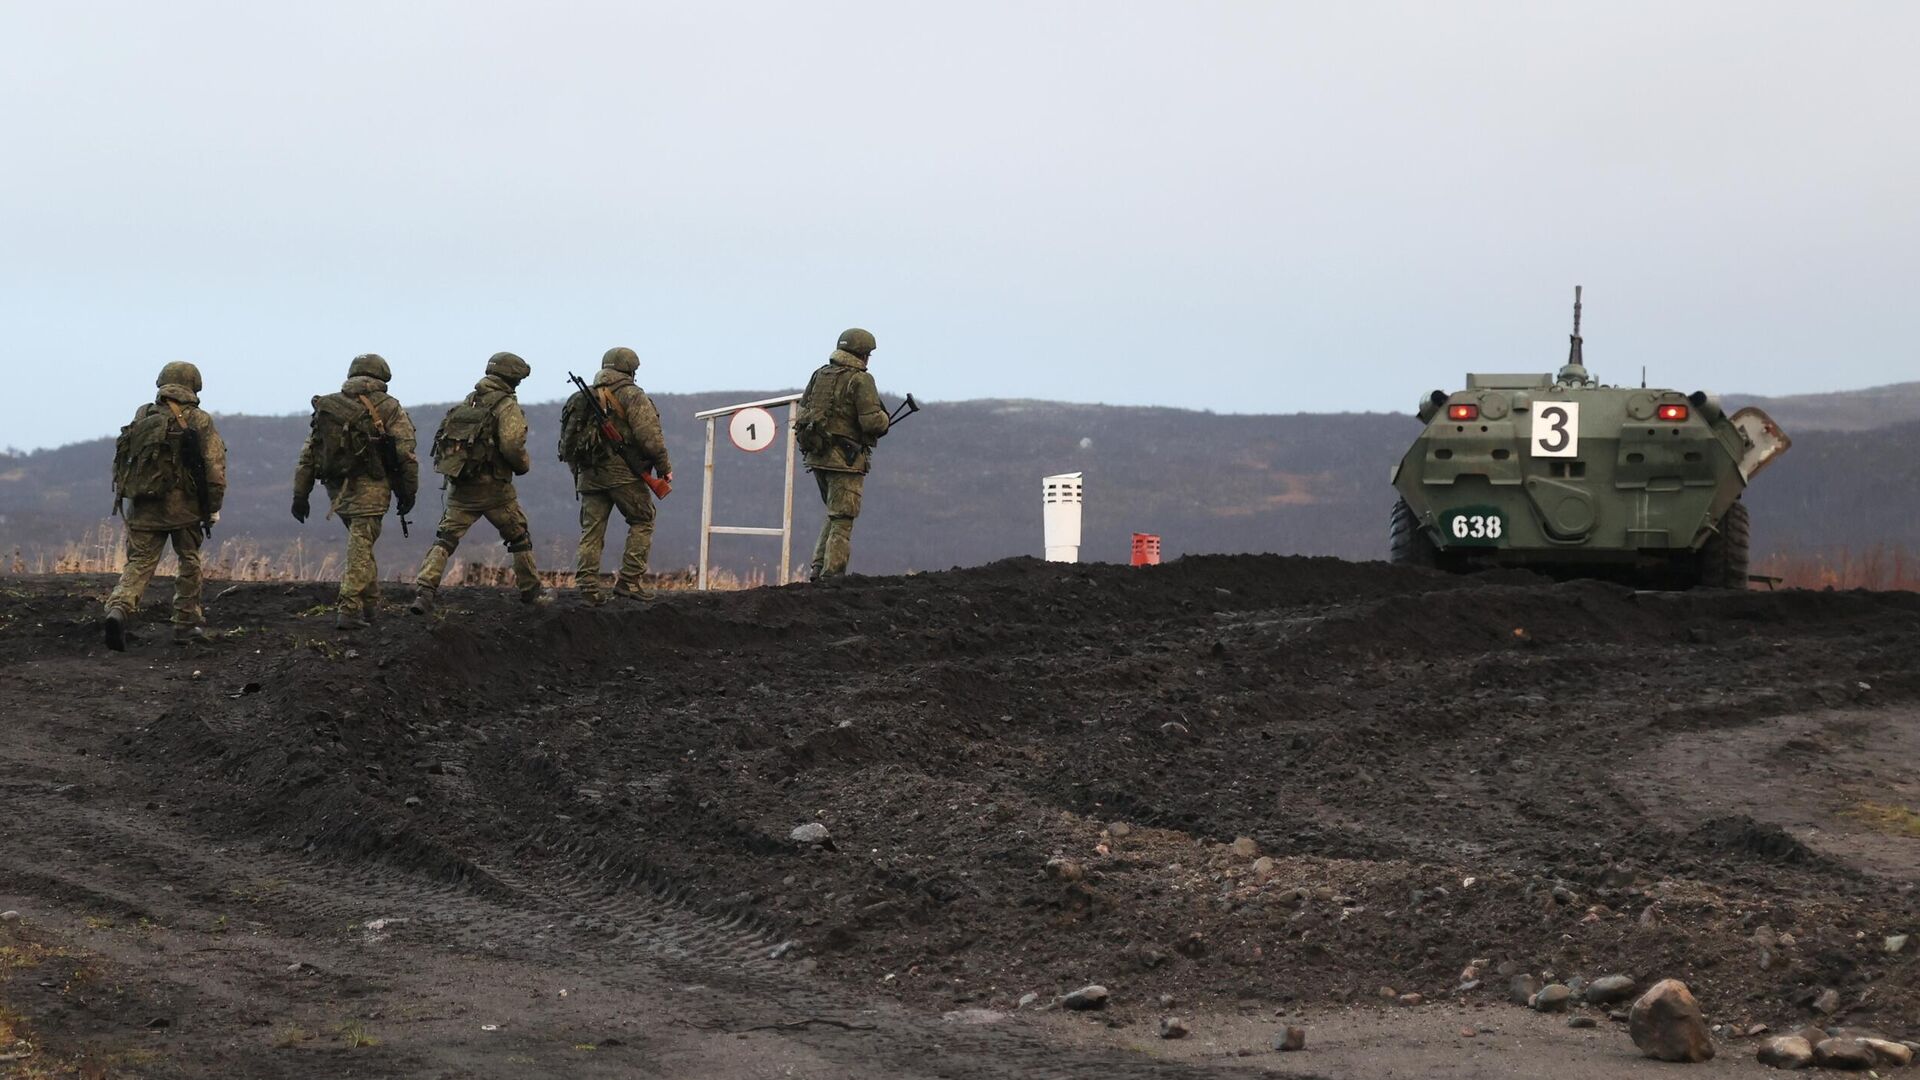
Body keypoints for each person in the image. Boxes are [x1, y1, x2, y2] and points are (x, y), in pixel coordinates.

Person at [102, 361, 228, 649]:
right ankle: (186, 622)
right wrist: (213, 507)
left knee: (140, 562)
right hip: (184, 507)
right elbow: (214, 469)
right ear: (194, 386)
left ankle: (119, 608)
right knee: (189, 561)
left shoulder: (143, 413)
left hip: (143, 504)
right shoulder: (200, 419)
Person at [291, 353, 419, 629]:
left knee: (362, 545)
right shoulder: (388, 406)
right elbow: (405, 452)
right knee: (360, 548)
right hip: (372, 487)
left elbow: (309, 454)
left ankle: (371, 608)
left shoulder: (329, 406)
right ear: (382, 377)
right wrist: (408, 493)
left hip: (336, 489)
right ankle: (348, 610)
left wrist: (300, 495)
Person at [410, 352, 544, 612]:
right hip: (494, 489)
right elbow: (512, 444)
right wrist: (523, 465)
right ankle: (532, 591)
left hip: (461, 485)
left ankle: (424, 592)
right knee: (518, 536)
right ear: (513, 379)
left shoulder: (470, 402)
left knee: (446, 538)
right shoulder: (506, 406)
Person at [560, 346, 672, 602]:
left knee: (591, 531)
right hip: (625, 474)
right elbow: (650, 439)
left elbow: (567, 445)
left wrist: (578, 473)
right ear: (631, 370)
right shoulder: (632, 395)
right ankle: (629, 582)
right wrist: (664, 468)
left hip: (589, 474)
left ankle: (588, 587)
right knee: (643, 519)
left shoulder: (580, 397)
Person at [796, 327, 889, 579]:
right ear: (863, 354)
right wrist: (884, 419)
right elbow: (872, 423)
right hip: (845, 461)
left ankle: (817, 568)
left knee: (834, 513)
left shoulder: (820, 374)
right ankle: (832, 575)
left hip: (817, 456)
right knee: (843, 518)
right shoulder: (860, 379)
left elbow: (802, 412)